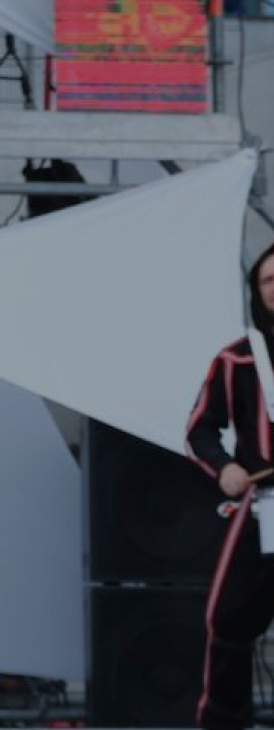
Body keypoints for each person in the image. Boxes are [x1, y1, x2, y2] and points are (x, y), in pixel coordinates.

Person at [186, 241, 274, 730]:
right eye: (269, 280)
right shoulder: (237, 359)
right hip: (262, 507)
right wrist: (224, 468)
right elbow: (199, 430)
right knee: (227, 621)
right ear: (256, 291)